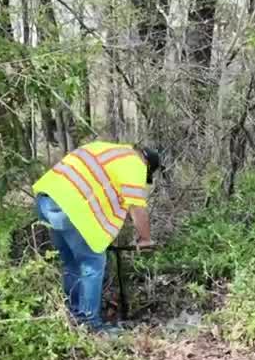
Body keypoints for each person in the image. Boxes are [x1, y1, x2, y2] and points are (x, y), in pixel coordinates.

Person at [32, 141, 161, 333]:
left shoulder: (105, 149)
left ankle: (73, 318)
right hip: (71, 209)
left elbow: (97, 188)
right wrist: (145, 239)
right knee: (92, 264)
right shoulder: (135, 163)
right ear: (147, 163)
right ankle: (90, 325)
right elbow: (137, 208)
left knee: (71, 264)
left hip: (46, 200)